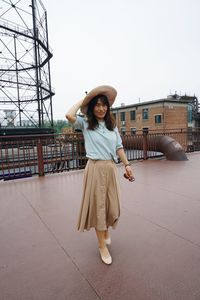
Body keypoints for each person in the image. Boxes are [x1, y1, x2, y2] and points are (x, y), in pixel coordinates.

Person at [65, 85, 135, 265]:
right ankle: (101, 245)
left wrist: (127, 165)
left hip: (111, 168)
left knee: (113, 206)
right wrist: (85, 100)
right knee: (98, 207)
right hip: (95, 168)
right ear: (91, 107)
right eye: (97, 105)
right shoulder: (86, 123)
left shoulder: (112, 125)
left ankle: (105, 230)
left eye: (104, 105)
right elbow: (69, 115)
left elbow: (119, 146)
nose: (101, 108)